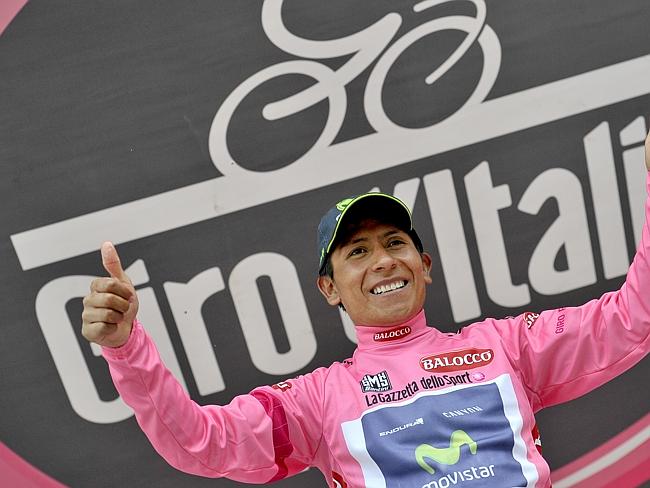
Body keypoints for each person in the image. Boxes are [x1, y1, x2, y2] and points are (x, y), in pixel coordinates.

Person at [81, 135, 650, 488]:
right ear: (328, 288)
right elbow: (200, 443)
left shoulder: (508, 346)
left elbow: (634, 318)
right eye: (358, 252)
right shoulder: (317, 399)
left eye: (395, 244)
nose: (382, 261)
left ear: (424, 264)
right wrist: (127, 349)